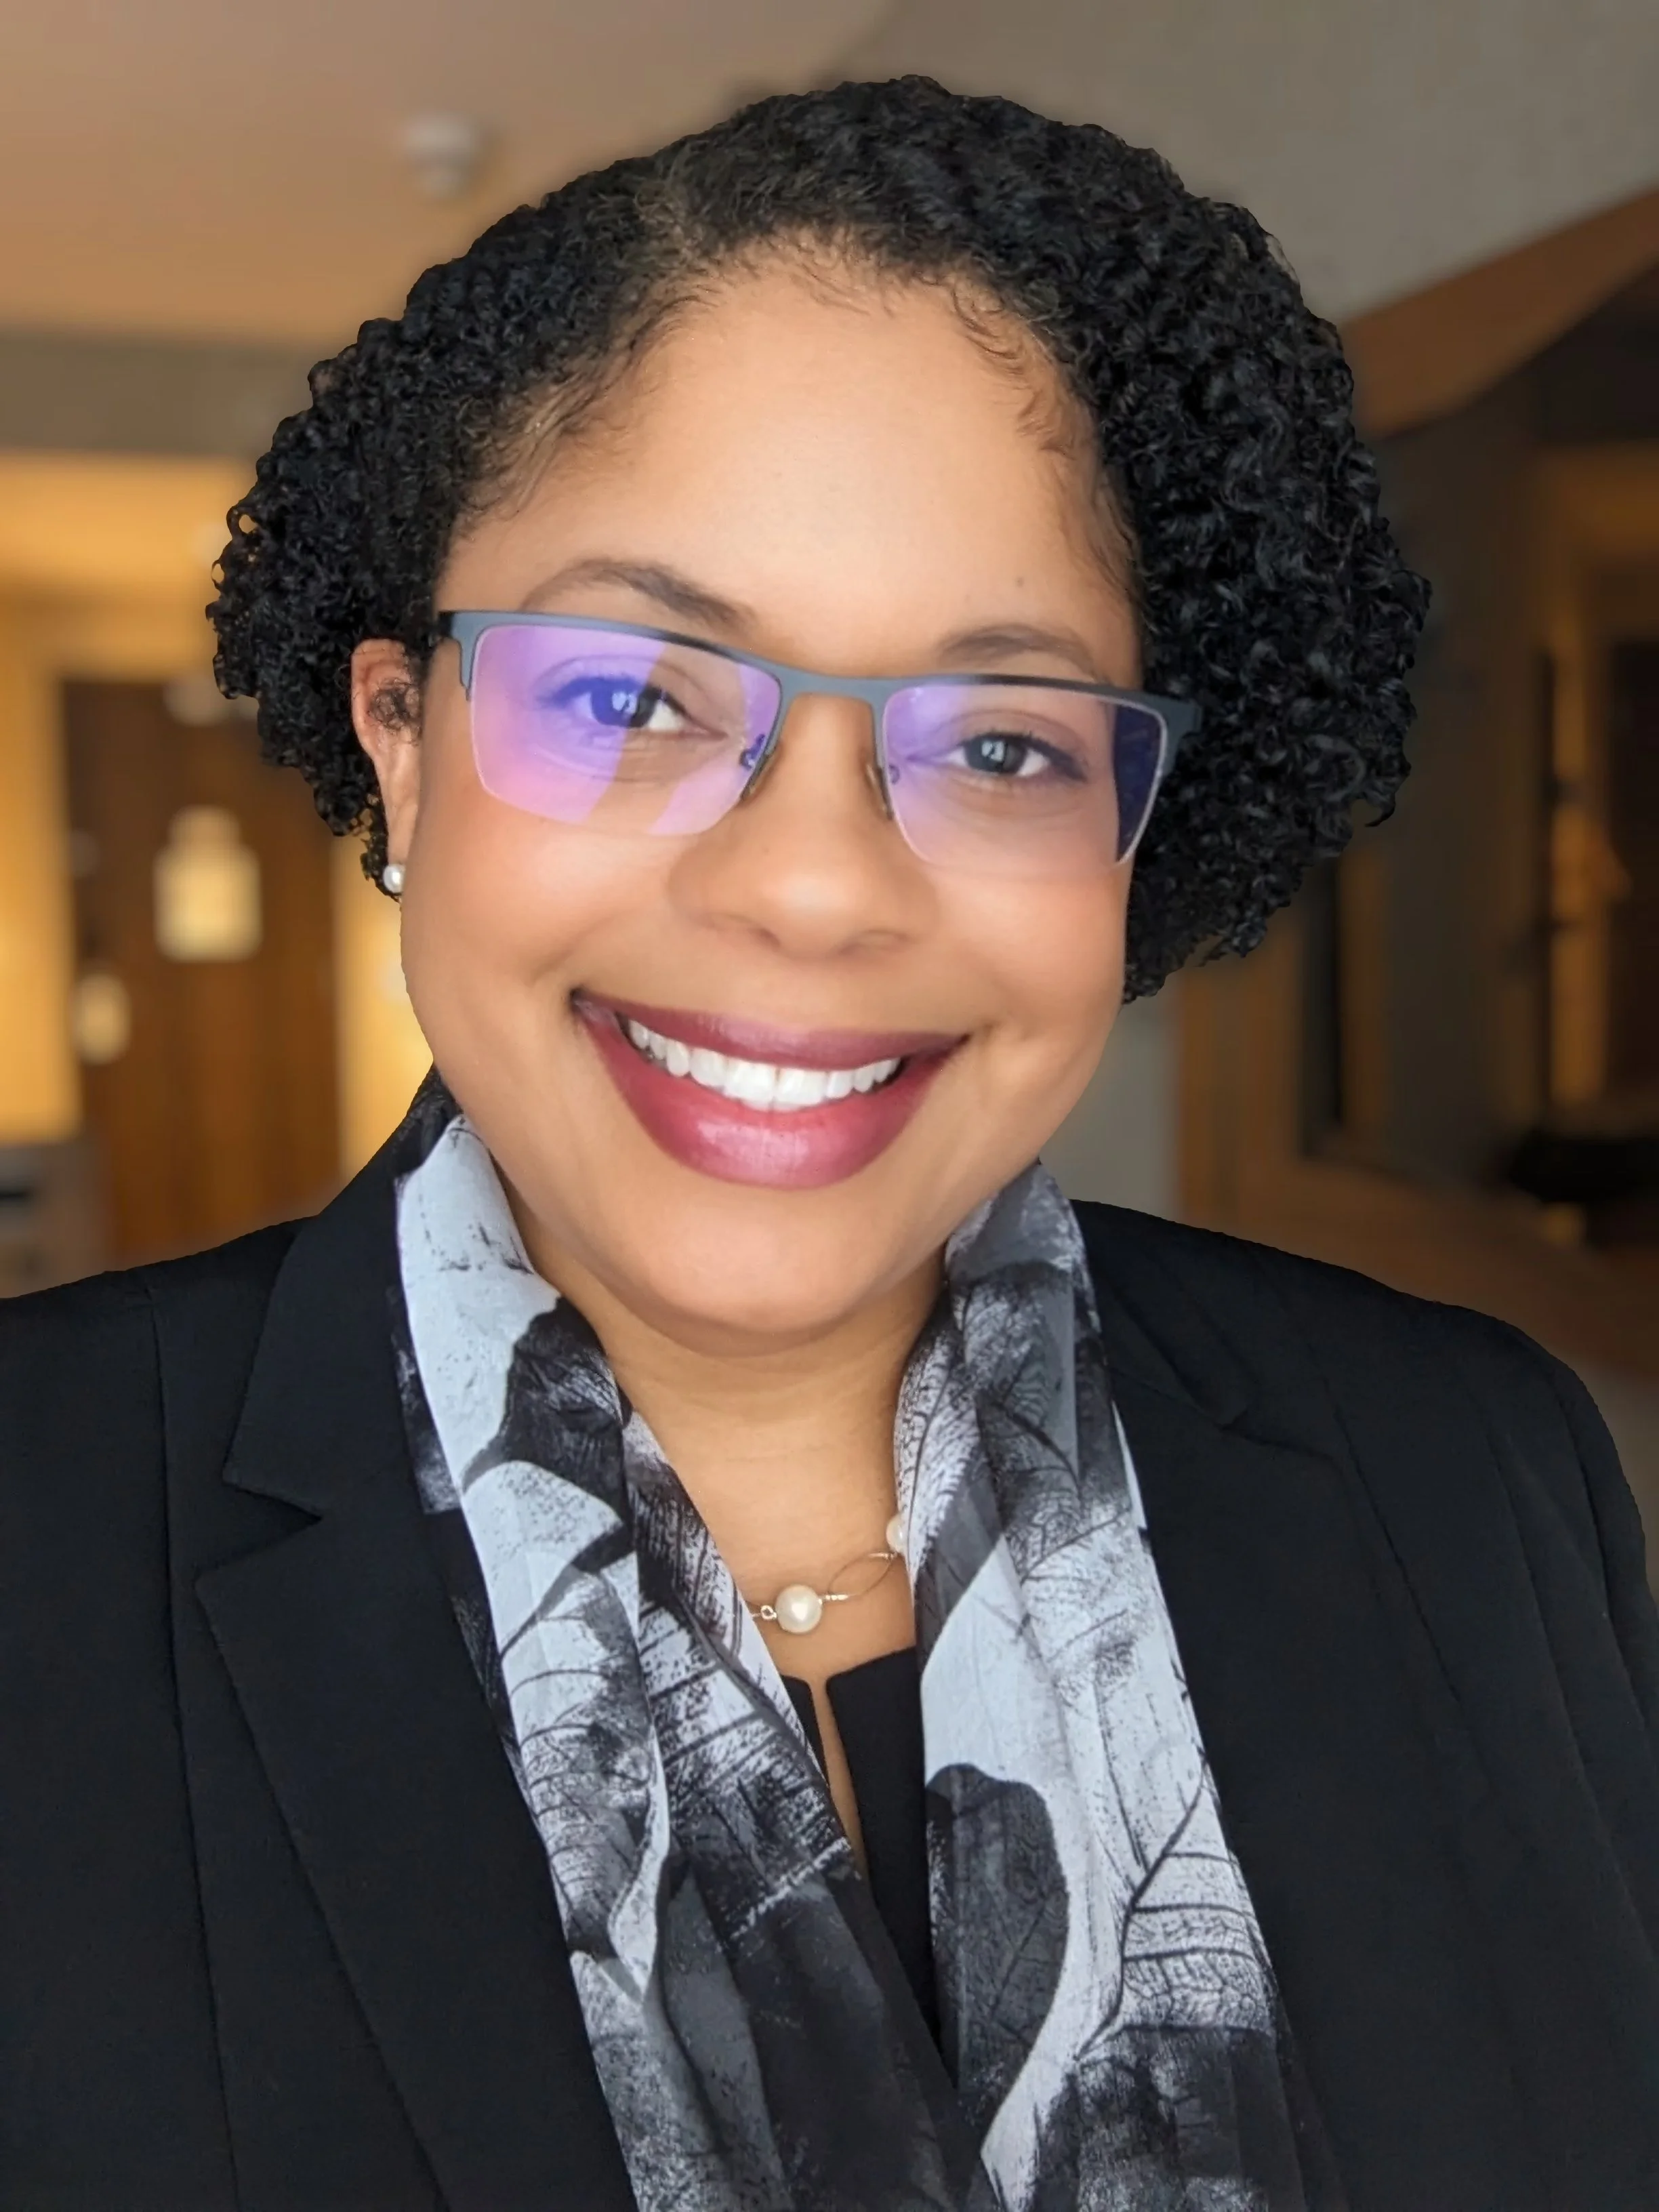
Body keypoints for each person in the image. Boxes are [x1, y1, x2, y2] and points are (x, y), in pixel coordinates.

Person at [2, 77, 1655, 2212]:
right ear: (402, 750)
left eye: (995, 738)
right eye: (636, 697)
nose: (814, 889)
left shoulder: (1476, 1474)